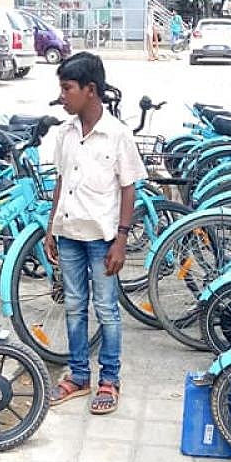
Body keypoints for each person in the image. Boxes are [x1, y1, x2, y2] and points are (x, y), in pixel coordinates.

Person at [44, 52, 146, 415]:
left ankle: (110, 380)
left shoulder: (117, 135)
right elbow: (60, 180)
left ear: (90, 90)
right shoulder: (65, 132)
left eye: (67, 88)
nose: (62, 96)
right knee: (74, 307)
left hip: (103, 239)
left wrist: (121, 239)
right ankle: (78, 376)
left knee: (106, 310)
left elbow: (130, 188)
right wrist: (51, 228)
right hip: (69, 233)